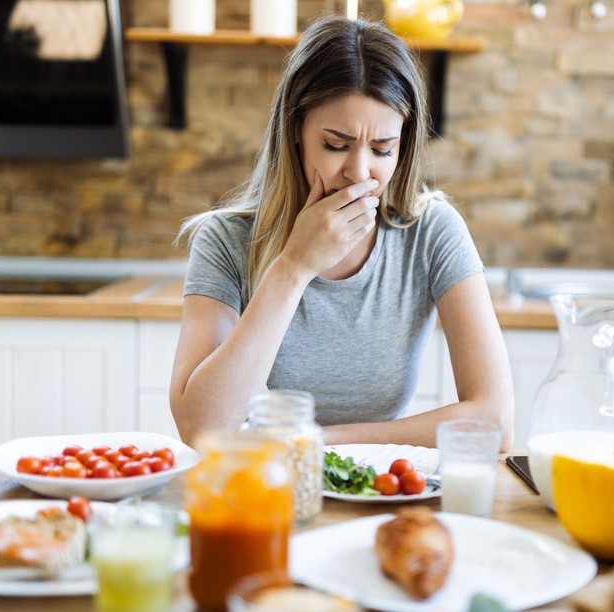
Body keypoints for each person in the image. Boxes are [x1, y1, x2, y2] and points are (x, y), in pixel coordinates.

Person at [169, 15, 514, 451]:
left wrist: (315, 442)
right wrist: (293, 266)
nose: (359, 172)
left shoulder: (432, 232)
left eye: (383, 149)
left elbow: (496, 421)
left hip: (380, 491)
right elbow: (202, 430)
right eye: (336, 145)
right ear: (295, 130)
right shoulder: (224, 240)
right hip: (262, 492)